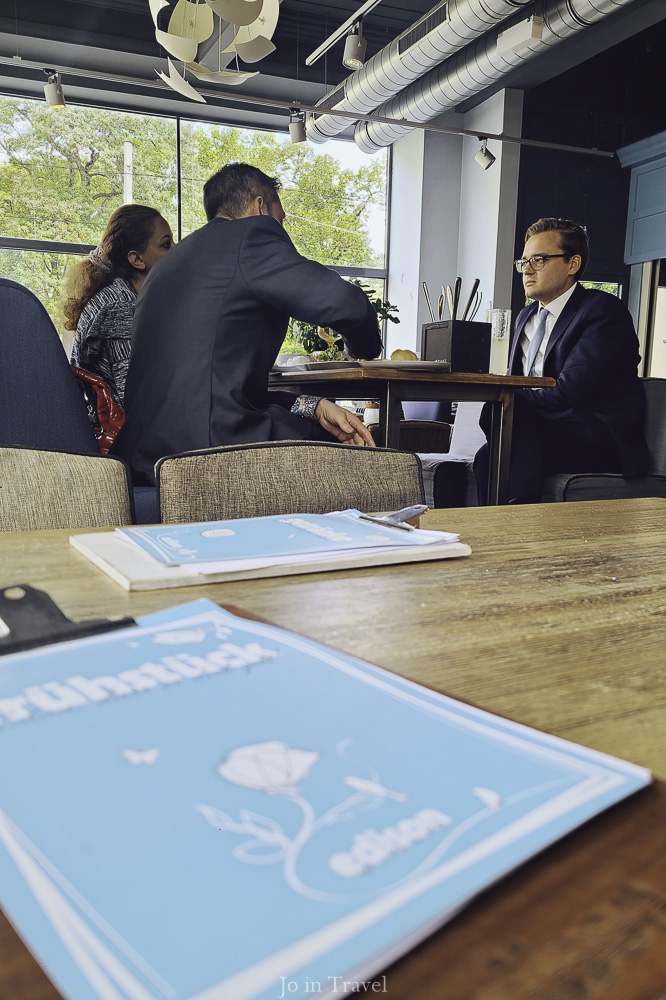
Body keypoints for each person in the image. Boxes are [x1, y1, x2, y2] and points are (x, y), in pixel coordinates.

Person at [114, 163, 382, 485]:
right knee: (357, 446)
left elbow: (215, 387)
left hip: (145, 458)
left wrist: (314, 405)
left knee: (321, 423)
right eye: (281, 220)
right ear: (259, 207)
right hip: (211, 450)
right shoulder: (251, 235)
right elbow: (349, 306)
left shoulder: (168, 263)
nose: (282, 232)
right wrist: (362, 351)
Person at [474, 217, 650, 503]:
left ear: (572, 264)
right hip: (538, 428)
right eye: (524, 262)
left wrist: (507, 397)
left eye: (539, 260)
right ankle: (501, 522)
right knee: (486, 457)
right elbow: (518, 384)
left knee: (507, 426)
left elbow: (570, 391)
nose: (527, 269)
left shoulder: (603, 310)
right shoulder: (525, 317)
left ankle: (520, 516)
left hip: (594, 434)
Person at [65, 205, 174, 405]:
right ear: (137, 259)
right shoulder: (119, 306)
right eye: (166, 244)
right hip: (124, 424)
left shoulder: (120, 296)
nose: (176, 250)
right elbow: (135, 397)